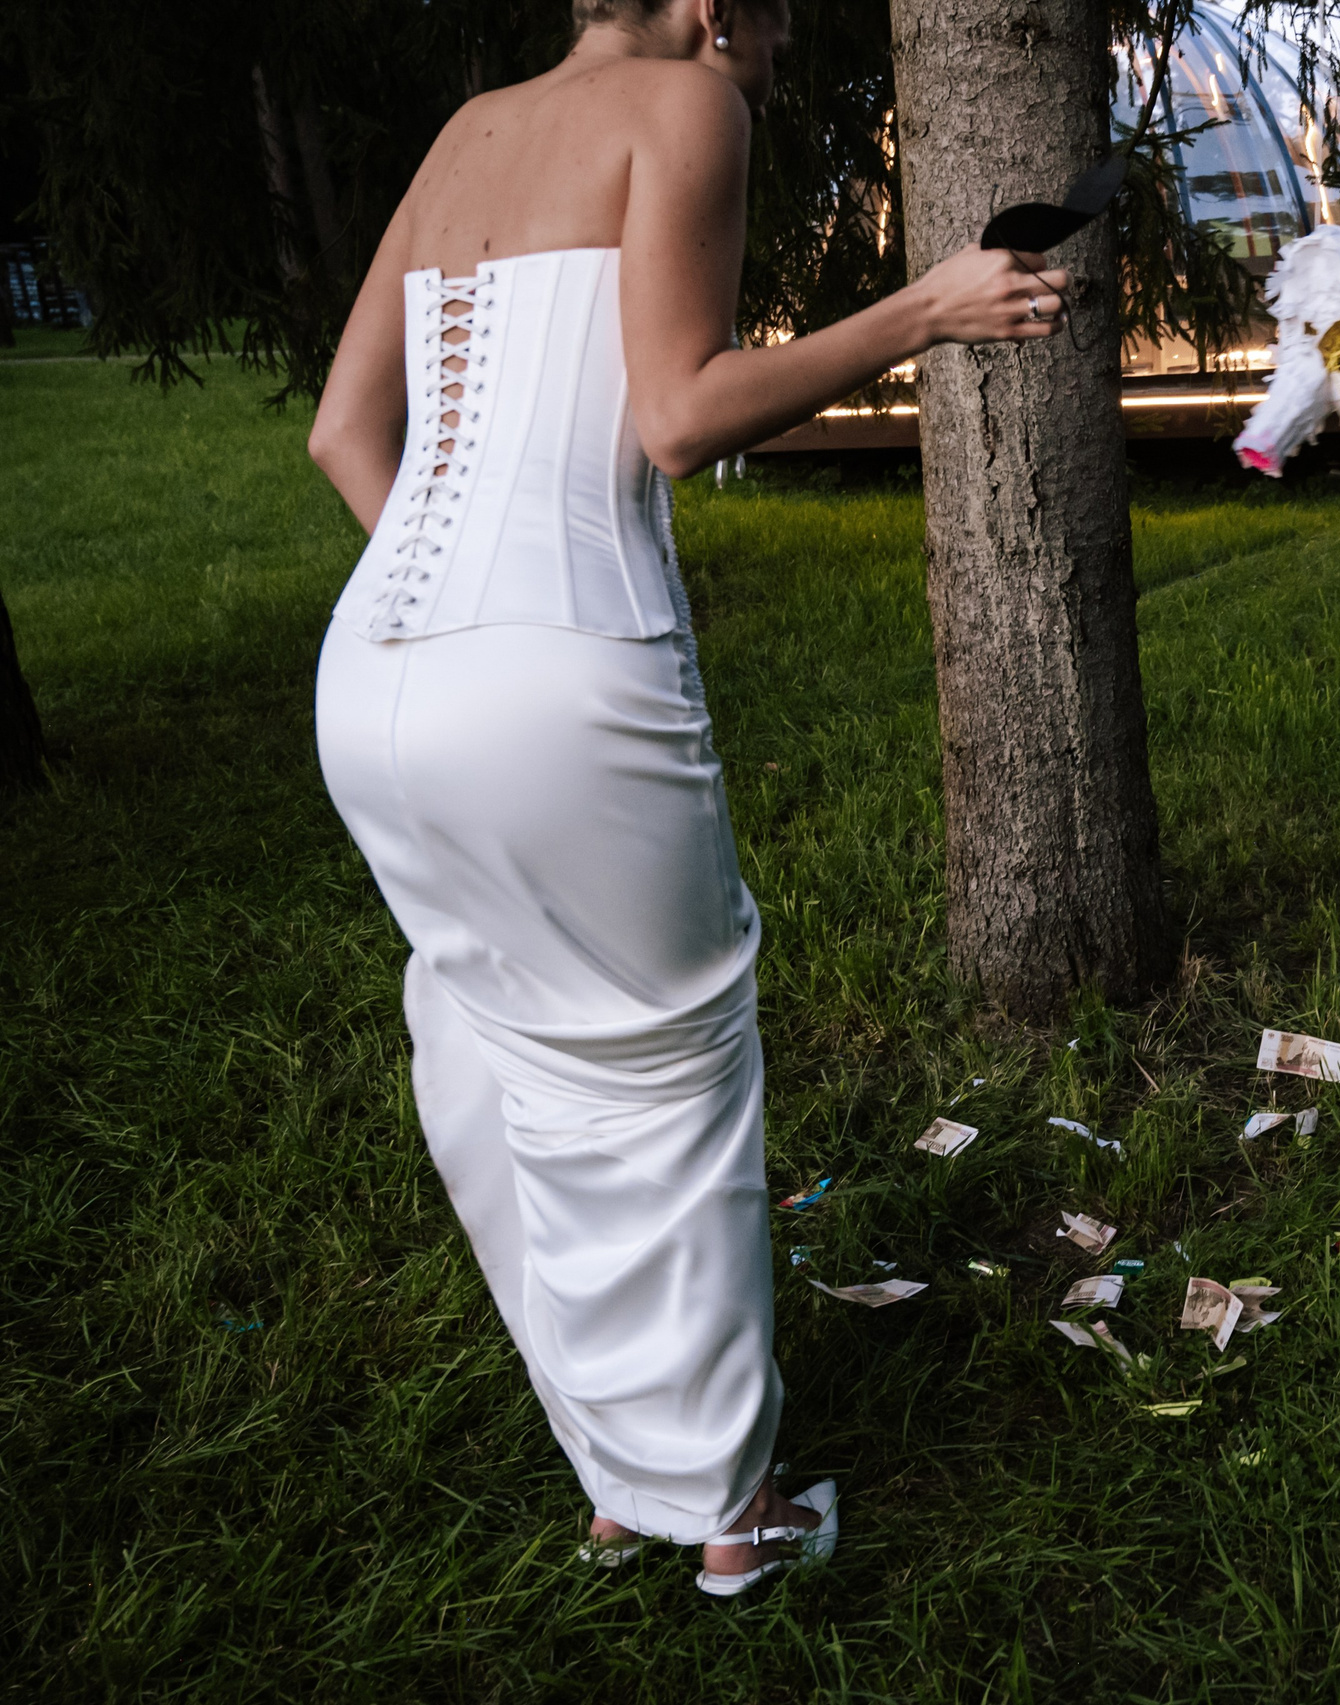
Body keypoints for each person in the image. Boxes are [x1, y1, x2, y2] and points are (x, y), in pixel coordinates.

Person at [304, 0, 1067, 1594]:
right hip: (559, 664)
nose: (783, 52)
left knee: (509, 1056)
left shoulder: (465, 135)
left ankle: (615, 1475)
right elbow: (677, 413)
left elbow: (341, 431)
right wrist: (928, 306)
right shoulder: (690, 103)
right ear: (715, 7)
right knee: (675, 1065)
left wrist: (442, 620)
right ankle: (731, 1512)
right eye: (781, 17)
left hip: (371, 668)